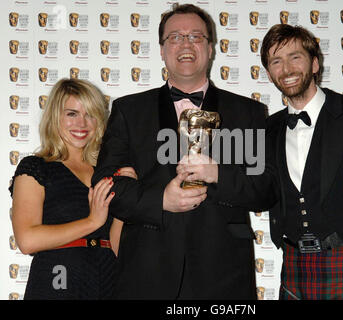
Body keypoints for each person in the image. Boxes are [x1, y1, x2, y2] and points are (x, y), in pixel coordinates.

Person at [198, 24, 343, 300]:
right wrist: (211, 175)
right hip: (295, 266)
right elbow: (257, 190)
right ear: (269, 73)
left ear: (314, 63)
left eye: (295, 57)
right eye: (276, 61)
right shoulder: (269, 129)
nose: (286, 69)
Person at [92, 4, 267, 299]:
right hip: (147, 272)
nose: (185, 44)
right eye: (175, 37)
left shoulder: (248, 112)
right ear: (162, 50)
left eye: (196, 37)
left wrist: (218, 174)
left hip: (223, 275)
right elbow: (105, 186)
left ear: (210, 48)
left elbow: (265, 188)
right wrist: (160, 199)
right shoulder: (128, 110)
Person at [9, 78, 135, 299]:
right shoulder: (36, 168)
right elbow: (27, 241)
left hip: (106, 280)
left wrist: (126, 200)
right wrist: (91, 221)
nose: (82, 124)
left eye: (90, 114)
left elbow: (112, 247)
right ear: (55, 117)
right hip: (57, 282)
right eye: (72, 114)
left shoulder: (105, 173)